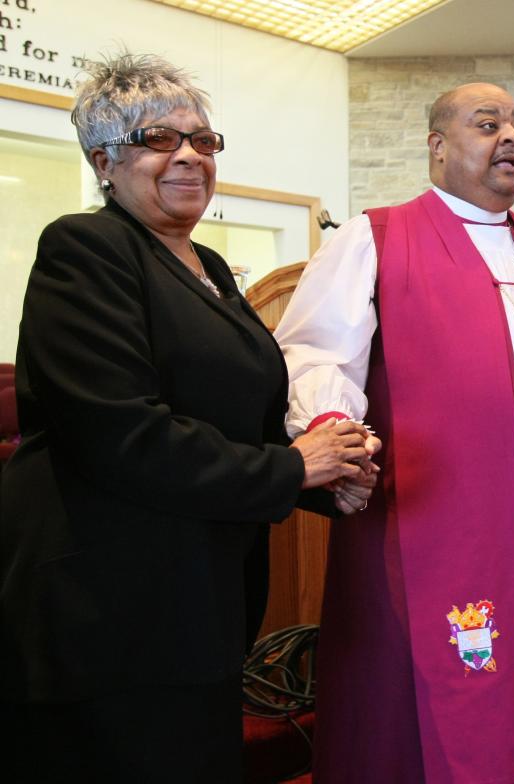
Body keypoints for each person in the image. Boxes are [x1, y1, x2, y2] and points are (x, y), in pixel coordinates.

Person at [274, 82, 514, 783]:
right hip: (435, 515)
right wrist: (334, 427)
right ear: (436, 146)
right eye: (488, 124)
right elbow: (314, 352)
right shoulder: (378, 239)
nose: (511, 137)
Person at [0, 53, 378, 783]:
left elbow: (233, 422)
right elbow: (121, 433)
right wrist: (295, 466)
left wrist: (325, 481)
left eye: (203, 141)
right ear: (104, 161)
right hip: (105, 608)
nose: (189, 157)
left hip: (195, 598)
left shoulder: (204, 262)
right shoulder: (86, 248)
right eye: (159, 138)